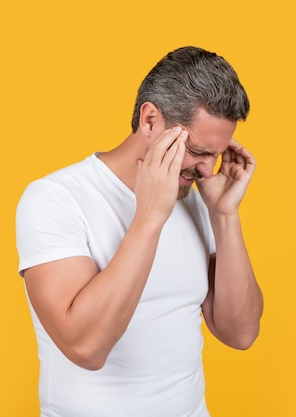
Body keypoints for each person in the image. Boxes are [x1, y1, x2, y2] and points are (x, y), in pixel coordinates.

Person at [15, 46, 264, 417]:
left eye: (218, 153)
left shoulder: (196, 201)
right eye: (196, 150)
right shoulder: (56, 199)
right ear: (150, 120)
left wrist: (225, 215)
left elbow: (240, 333)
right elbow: (86, 347)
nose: (208, 170)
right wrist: (149, 216)